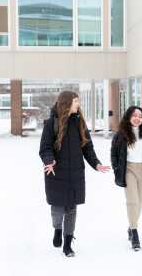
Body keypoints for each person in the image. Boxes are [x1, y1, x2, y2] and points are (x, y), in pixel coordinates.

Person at [39, 91, 110, 257]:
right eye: (75, 101)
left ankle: (68, 243)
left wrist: (97, 164)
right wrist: (49, 161)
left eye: (78, 101)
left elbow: (88, 148)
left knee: (71, 210)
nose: (78, 104)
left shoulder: (80, 123)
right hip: (56, 174)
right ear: (66, 103)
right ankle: (57, 229)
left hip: (76, 175)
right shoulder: (52, 123)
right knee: (57, 211)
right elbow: (45, 148)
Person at [110, 106, 142, 251]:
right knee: (133, 201)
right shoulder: (120, 134)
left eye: (140, 116)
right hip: (128, 169)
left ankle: (131, 226)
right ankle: (135, 234)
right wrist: (117, 168)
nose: (137, 118)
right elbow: (113, 154)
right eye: (134, 115)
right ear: (128, 117)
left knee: (140, 201)